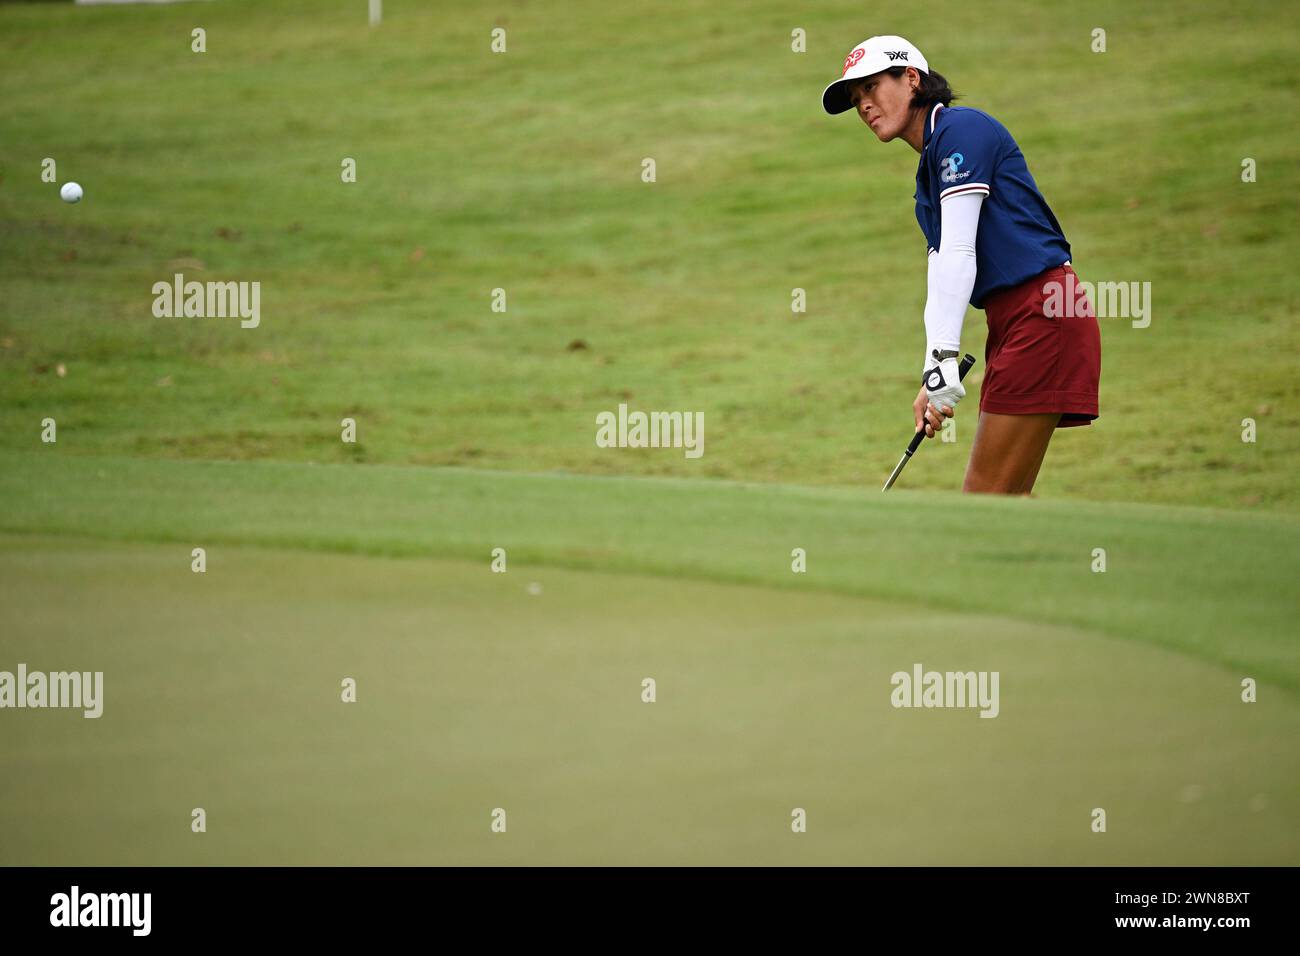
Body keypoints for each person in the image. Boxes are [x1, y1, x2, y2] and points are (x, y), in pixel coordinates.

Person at [822, 36, 1101, 494]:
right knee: (1003, 500)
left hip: (1046, 312)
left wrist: (942, 359)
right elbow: (941, 279)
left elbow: (959, 252)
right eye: (856, 100)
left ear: (911, 78)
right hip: (1017, 322)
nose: (864, 106)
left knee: (986, 500)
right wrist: (932, 374)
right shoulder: (926, 185)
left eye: (871, 87)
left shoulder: (961, 131)